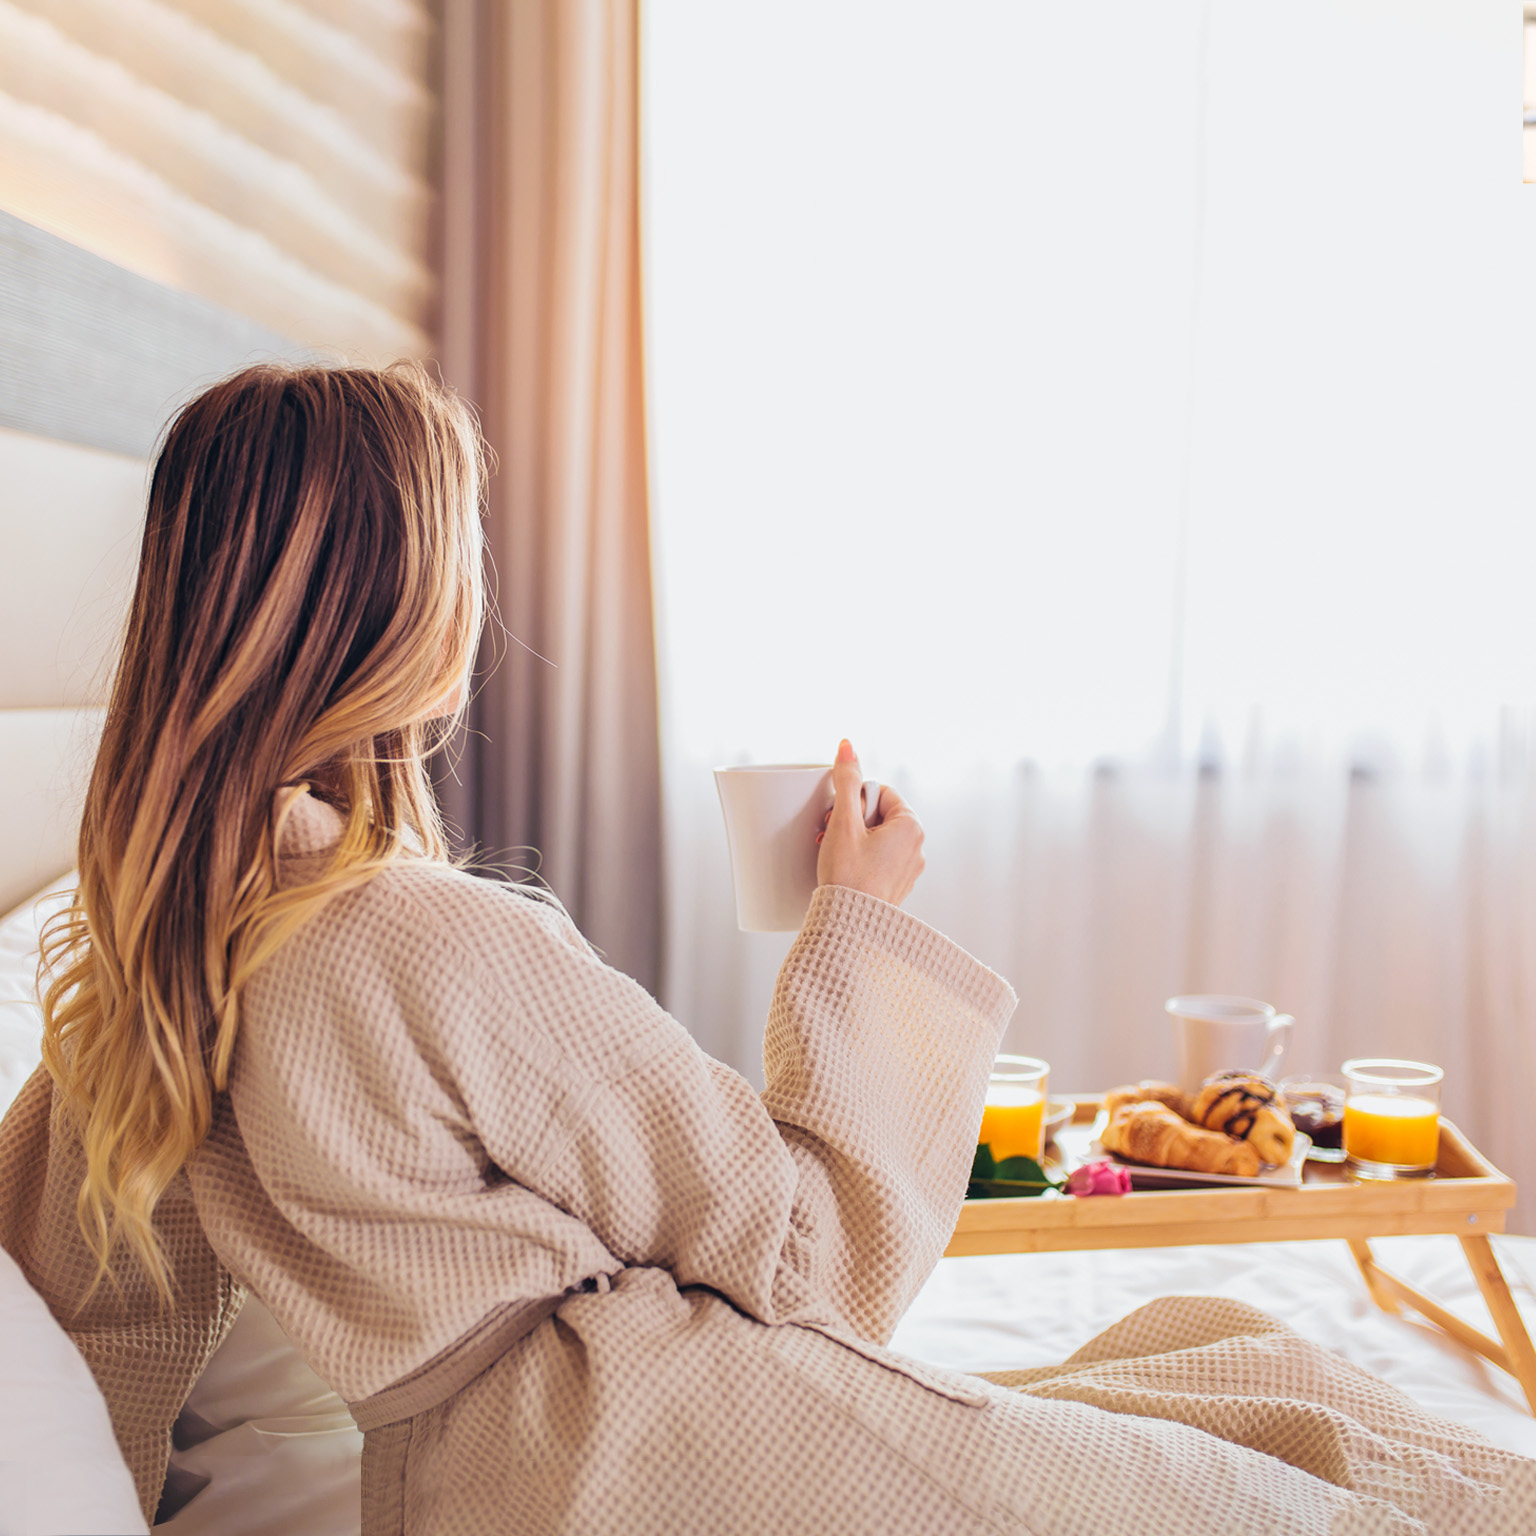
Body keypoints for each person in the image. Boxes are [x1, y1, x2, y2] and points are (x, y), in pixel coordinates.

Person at [0, 363, 1529, 1536]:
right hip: (669, 1454)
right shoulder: (419, 937)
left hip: (476, 1488)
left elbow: (99, 1344)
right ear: (406, 606)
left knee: (1224, 1359)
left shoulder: (143, 977)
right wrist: (858, 924)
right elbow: (816, 1266)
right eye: (464, 546)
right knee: (1307, 1490)